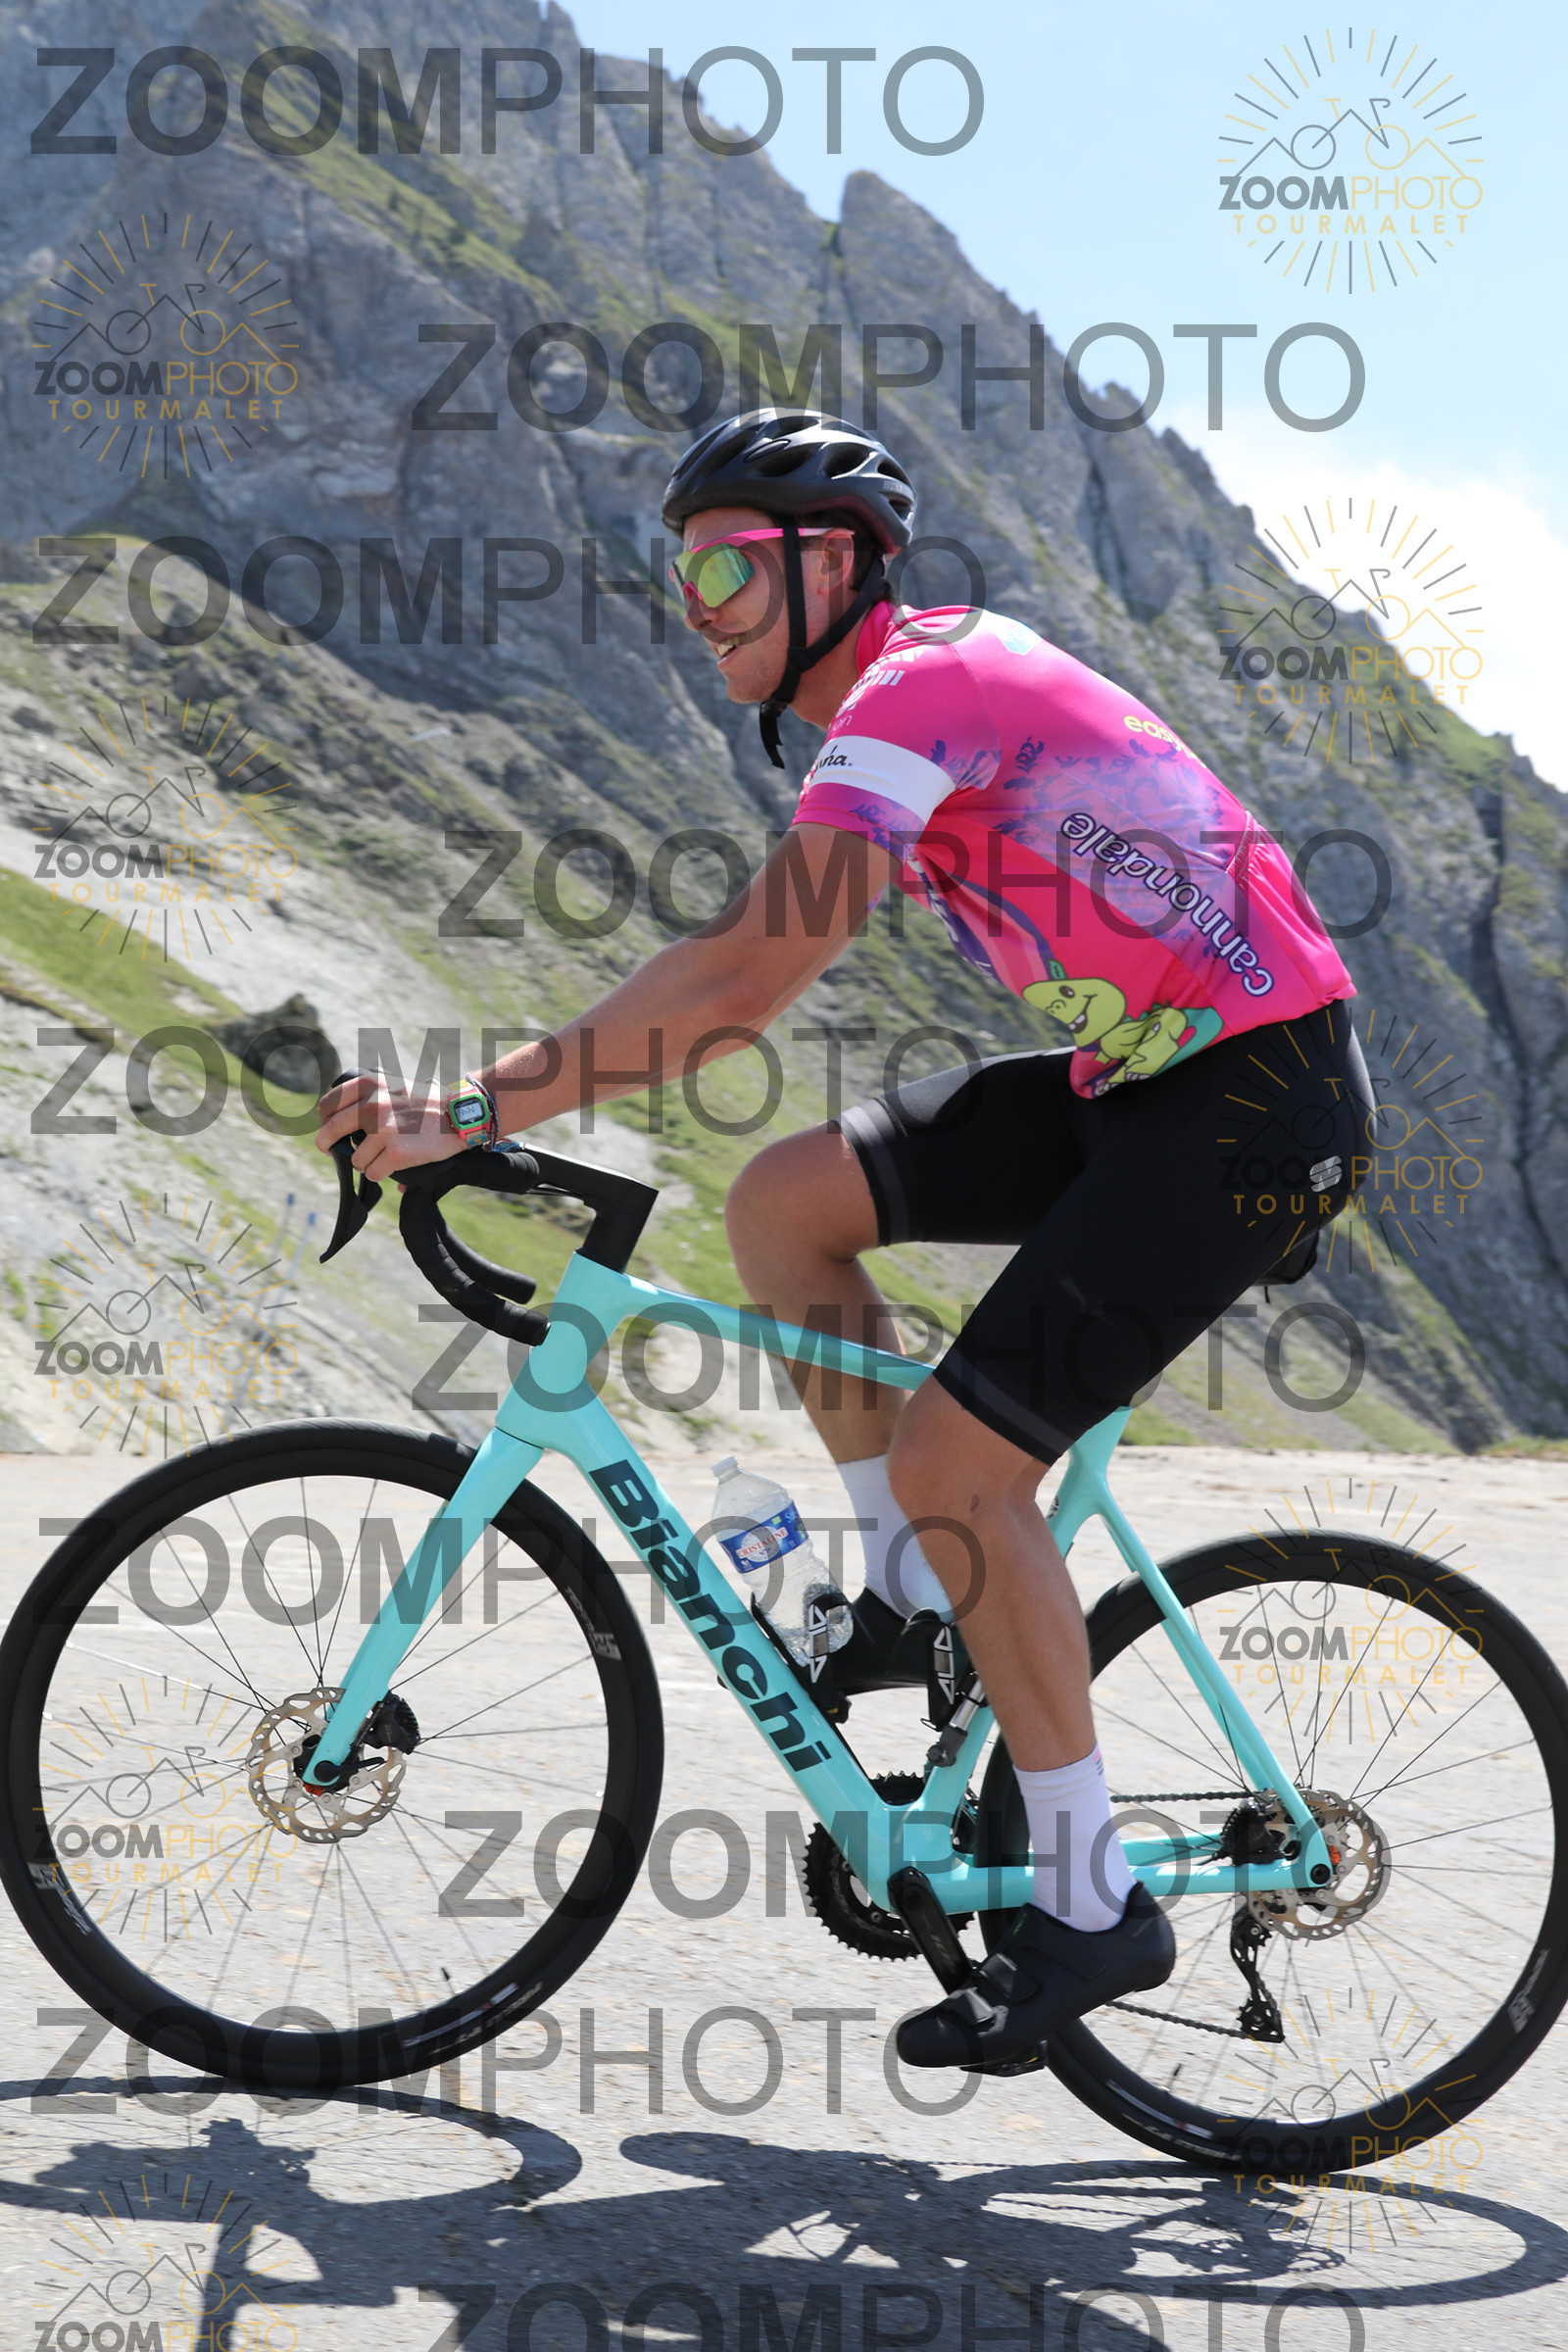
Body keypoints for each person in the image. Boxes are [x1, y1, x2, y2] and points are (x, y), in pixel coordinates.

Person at [317, 409, 1371, 2070]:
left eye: (729, 568)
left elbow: (742, 984)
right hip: (1146, 1081)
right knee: (783, 1205)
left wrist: (471, 1106)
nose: (698, 606)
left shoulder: (924, 686)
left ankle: (1090, 1897)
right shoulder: (897, 709)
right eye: (681, 576)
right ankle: (912, 1595)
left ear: (837, 566)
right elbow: (724, 965)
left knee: (965, 1467)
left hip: (1248, 1104)